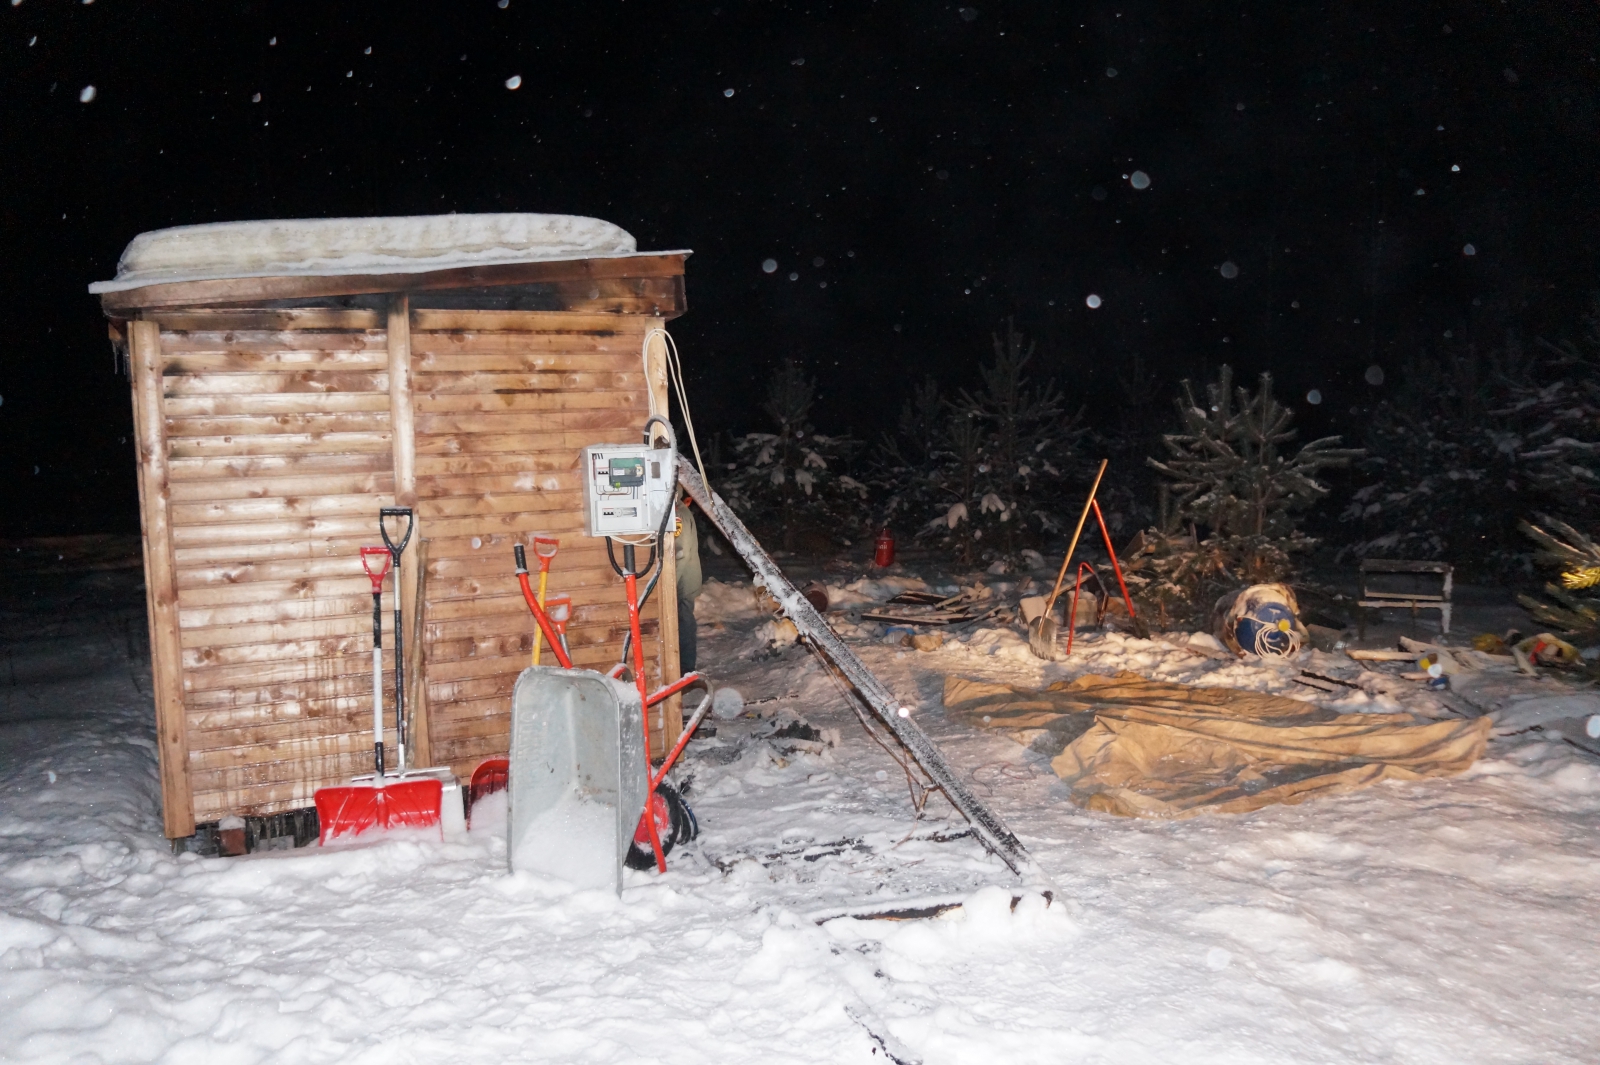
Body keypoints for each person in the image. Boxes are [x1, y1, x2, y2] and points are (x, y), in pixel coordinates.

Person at [674, 494, 703, 672]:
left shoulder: (679, 515)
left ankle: (685, 669)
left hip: (682, 582)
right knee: (684, 622)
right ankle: (685, 668)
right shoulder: (680, 511)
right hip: (685, 579)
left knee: (684, 623)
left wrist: (670, 584)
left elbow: (680, 553)